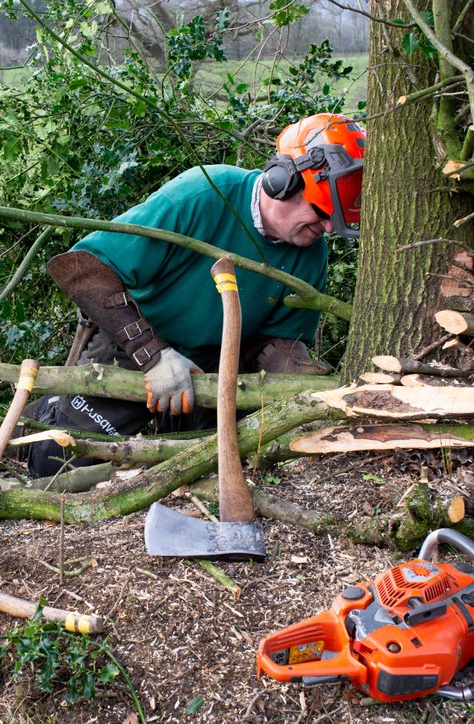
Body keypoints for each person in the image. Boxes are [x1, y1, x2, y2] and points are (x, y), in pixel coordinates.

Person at [27, 113, 365, 477]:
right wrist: (151, 354)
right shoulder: (204, 195)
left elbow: (279, 339)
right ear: (282, 181)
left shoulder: (310, 252)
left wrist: (298, 376)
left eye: (336, 219)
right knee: (55, 463)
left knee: (215, 466)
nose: (327, 227)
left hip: (214, 365)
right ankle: (40, 418)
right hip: (134, 339)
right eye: (322, 212)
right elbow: (82, 268)